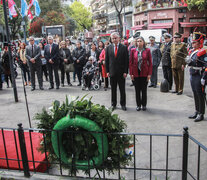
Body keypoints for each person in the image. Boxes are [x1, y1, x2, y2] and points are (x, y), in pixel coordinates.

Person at [105, 32, 129, 111]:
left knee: (122, 89)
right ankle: (113, 104)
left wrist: (125, 71)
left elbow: (126, 61)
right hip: (112, 72)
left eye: (116, 38)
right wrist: (107, 71)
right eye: (113, 38)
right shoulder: (108, 48)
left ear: (119, 38)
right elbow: (107, 60)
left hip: (121, 72)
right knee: (113, 89)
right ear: (111, 39)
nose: (114, 40)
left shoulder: (124, 48)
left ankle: (123, 104)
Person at [187, 32, 207, 122]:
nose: (193, 44)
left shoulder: (203, 52)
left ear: (200, 43)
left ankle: (201, 113)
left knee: (200, 95)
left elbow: (206, 66)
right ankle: (197, 111)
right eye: (192, 42)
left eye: (195, 42)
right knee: (195, 93)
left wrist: (204, 77)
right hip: (193, 74)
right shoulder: (192, 51)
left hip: (199, 75)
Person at [129, 37, 152, 111]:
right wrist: (131, 73)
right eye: (138, 41)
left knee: (144, 90)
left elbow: (150, 63)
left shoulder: (147, 50)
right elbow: (131, 62)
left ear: (143, 42)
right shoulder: (133, 50)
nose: (139, 42)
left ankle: (144, 105)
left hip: (144, 72)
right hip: (136, 73)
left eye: (140, 41)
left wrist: (149, 74)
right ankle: (138, 105)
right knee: (137, 90)